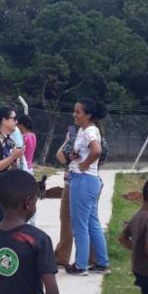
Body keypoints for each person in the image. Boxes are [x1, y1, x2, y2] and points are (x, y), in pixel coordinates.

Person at [66, 98, 110, 276]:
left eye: (78, 112)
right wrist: (76, 156)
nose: (74, 115)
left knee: (80, 225)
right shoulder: (86, 130)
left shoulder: (89, 131)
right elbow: (88, 151)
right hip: (90, 181)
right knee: (92, 223)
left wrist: (85, 165)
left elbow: (97, 150)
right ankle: (102, 262)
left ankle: (81, 264)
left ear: (88, 115)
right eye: (74, 111)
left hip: (83, 180)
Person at [54, 132, 74, 266]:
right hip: (91, 181)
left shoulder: (78, 139)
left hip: (72, 182)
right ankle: (93, 257)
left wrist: (67, 141)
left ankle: (62, 256)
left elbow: (60, 156)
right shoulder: (98, 136)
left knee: (66, 219)